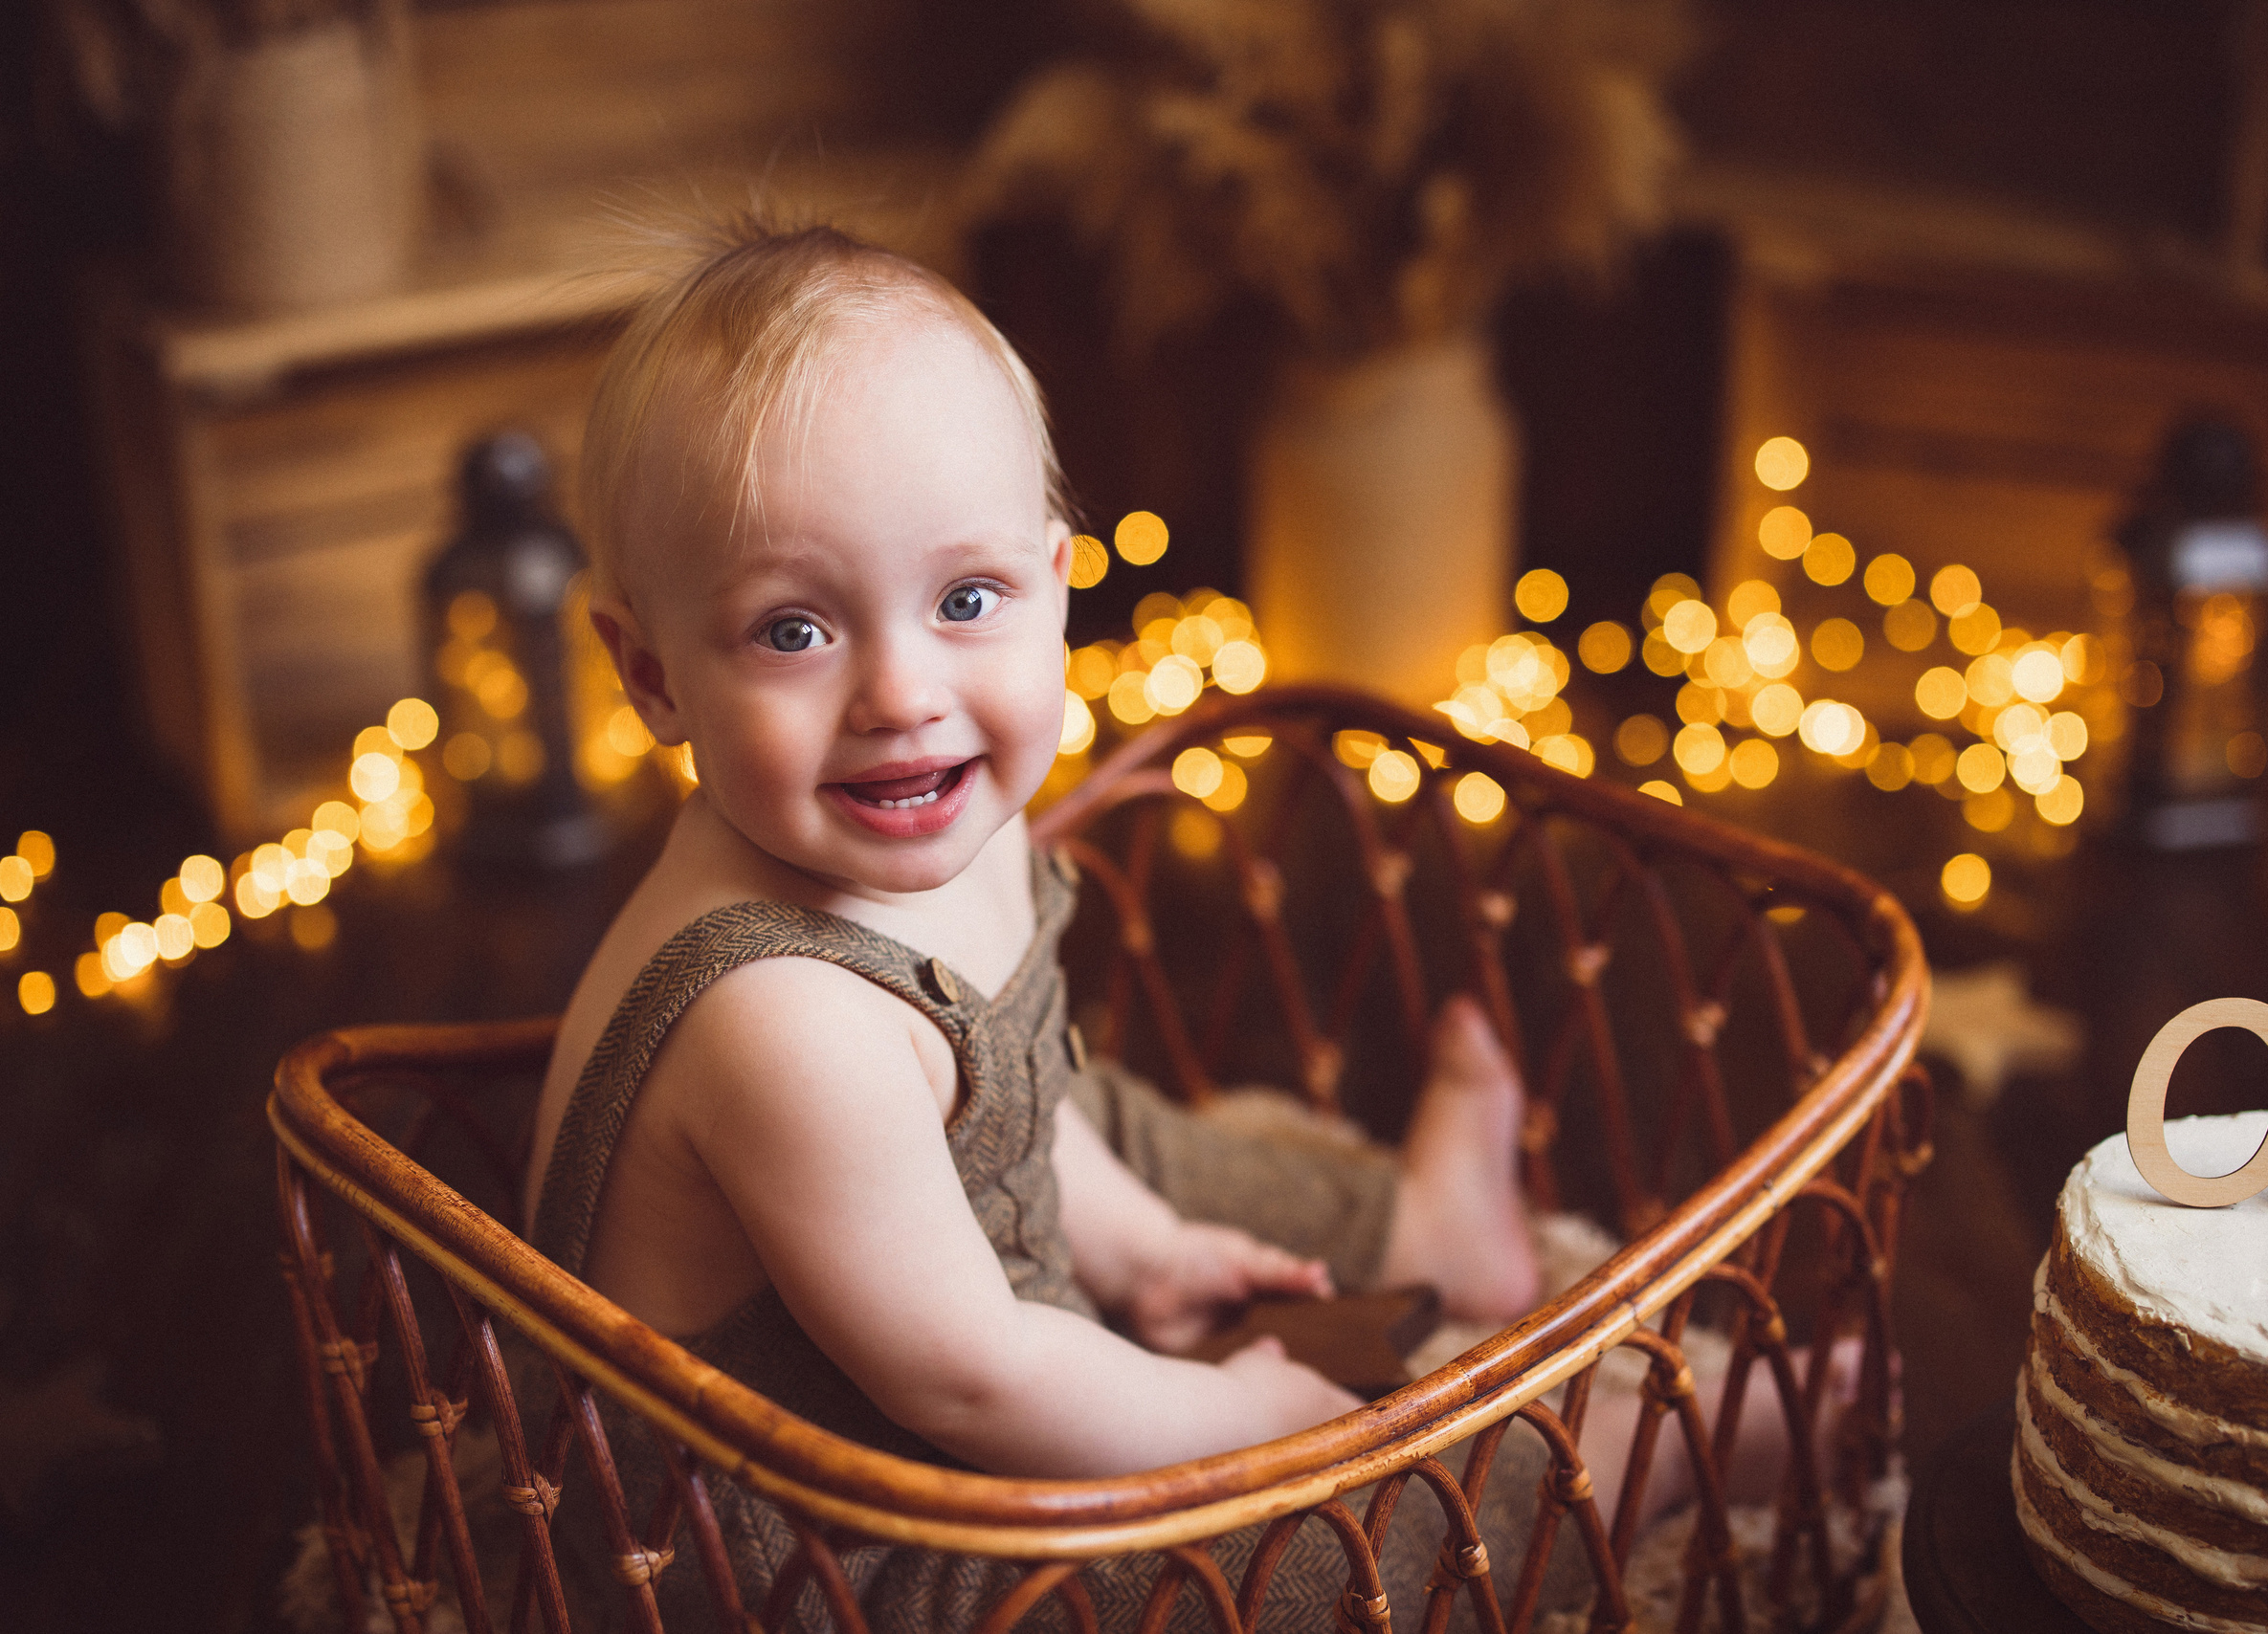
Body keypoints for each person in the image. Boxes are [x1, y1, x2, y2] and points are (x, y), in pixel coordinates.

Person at [518, 218, 1822, 1632]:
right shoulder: (780, 1024)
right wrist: (1227, 1420)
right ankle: (1620, 1460)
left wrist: (1141, 1252)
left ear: (1060, 589)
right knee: (1292, 1575)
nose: (901, 692)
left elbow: (1022, 1105)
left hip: (937, 1316)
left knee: (1121, 1128)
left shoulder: (932, 815)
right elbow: (971, 1380)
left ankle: (1418, 1224)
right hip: (839, 1552)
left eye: (966, 600)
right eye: (794, 631)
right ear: (650, 677)